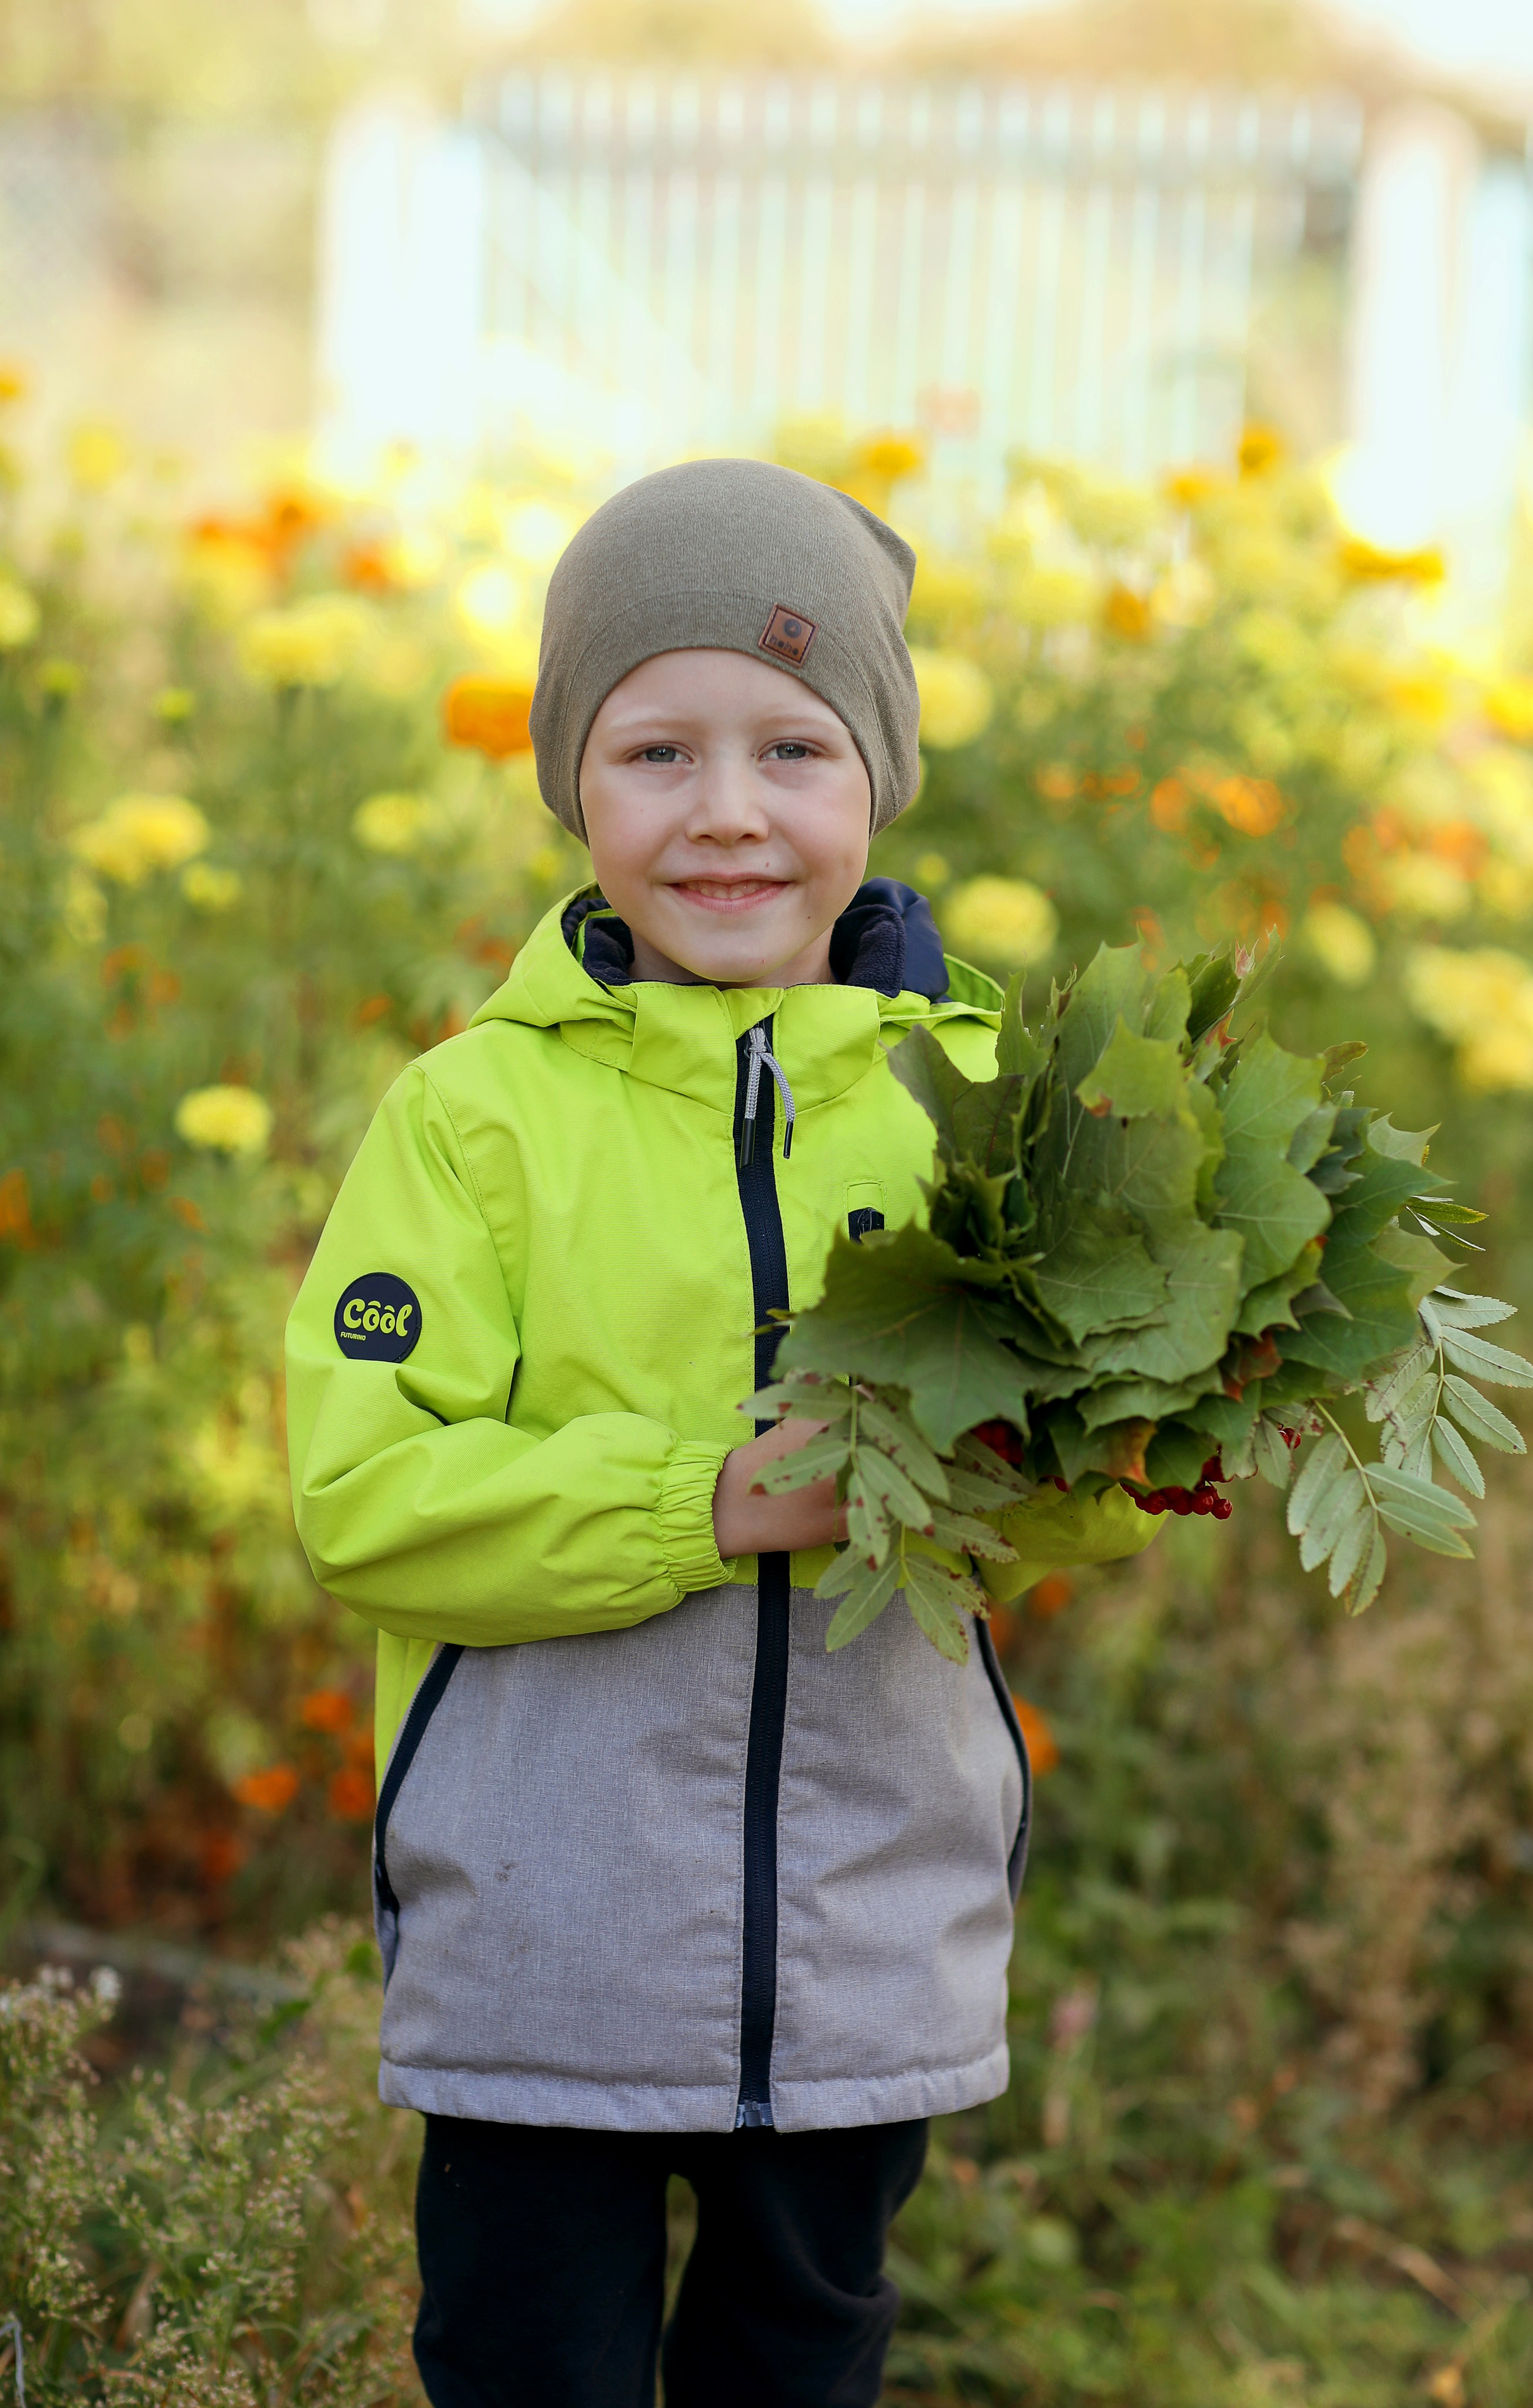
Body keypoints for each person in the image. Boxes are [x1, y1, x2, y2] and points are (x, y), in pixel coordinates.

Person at [285, 459, 1156, 2408]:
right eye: (657, 750)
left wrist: (1129, 1458)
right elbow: (366, 1497)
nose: (730, 813)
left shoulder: (978, 1096)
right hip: (550, 1932)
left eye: (793, 747)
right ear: (573, 788)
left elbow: (1046, 1499)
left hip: (870, 1915)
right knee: (531, 2364)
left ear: (880, 779)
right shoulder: (474, 1122)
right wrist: (707, 1501)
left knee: (802, 2354)